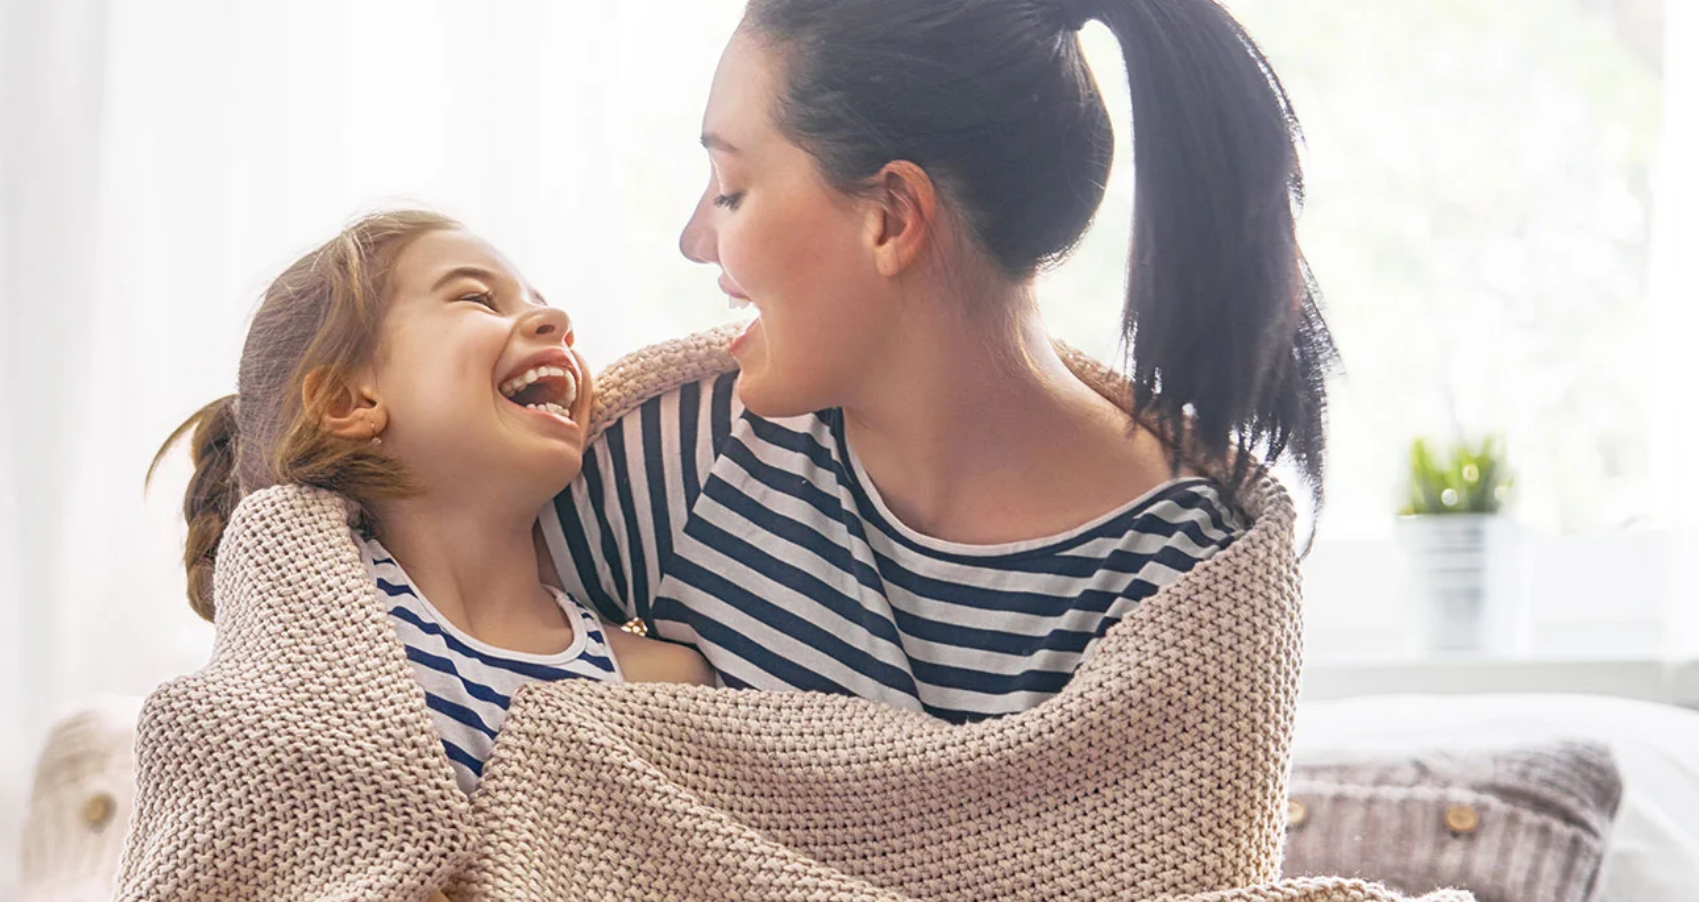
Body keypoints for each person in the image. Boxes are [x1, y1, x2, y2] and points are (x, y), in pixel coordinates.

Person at [542, 0, 1333, 722]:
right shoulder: (681, 457)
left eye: (731, 187)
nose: (695, 240)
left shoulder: (1184, 578)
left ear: (890, 217)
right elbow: (437, 656)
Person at [159, 209, 712, 797]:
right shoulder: (316, 653)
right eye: (477, 298)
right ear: (349, 401)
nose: (557, 320)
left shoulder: (662, 681)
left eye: (537, 302)